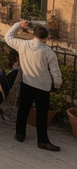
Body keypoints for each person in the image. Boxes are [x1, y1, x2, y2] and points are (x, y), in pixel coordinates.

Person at [5, 19, 63, 152]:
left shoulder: (23, 45)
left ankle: (20, 134)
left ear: (34, 34)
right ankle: (42, 140)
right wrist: (58, 83)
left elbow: (8, 37)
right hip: (43, 87)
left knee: (23, 109)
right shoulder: (49, 52)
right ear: (46, 37)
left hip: (27, 83)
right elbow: (55, 70)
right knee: (42, 114)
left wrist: (18, 24)